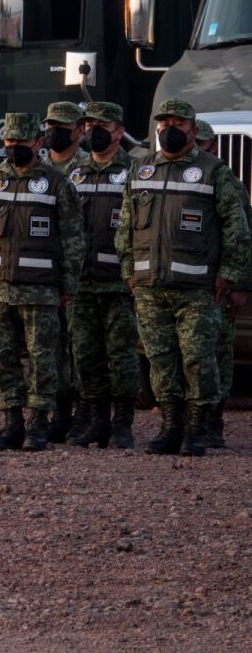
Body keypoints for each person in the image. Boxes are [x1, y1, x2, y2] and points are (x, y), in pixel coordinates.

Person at [117, 99, 250, 456]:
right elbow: (126, 226)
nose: (169, 129)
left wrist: (232, 276)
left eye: (178, 122)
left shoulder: (213, 171)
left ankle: (197, 428)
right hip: (149, 285)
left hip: (198, 287)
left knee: (197, 358)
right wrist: (129, 271)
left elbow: (236, 229)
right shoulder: (142, 169)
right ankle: (170, 426)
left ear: (193, 130)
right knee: (161, 358)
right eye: (164, 123)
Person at [0, 113, 83, 452]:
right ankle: (11, 422)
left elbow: (73, 239)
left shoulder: (57, 183)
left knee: (42, 357)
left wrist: (67, 286)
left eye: (21, 142)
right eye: (9, 142)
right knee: (3, 357)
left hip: (41, 289)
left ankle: (38, 424)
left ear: (37, 142)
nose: (14, 147)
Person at [65, 101, 139, 449]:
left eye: (101, 124)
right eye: (89, 123)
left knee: (121, 354)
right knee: (86, 354)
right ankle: (96, 421)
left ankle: (122, 424)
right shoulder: (75, 172)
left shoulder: (136, 171)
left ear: (119, 131)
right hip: (82, 281)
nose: (93, 130)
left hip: (119, 281)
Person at [194, 118, 248, 448]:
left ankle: (214, 418)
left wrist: (238, 281)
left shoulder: (229, 185)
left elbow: (240, 237)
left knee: (220, 351)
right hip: (193, 280)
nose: (196, 151)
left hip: (219, 281)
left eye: (201, 145)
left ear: (212, 147)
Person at [42, 100, 90, 441]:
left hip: (80, 273)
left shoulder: (89, 167)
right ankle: (57, 411)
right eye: (50, 124)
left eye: (62, 125)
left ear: (80, 129)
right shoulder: (37, 167)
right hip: (42, 271)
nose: (54, 131)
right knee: (49, 346)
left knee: (80, 345)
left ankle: (84, 411)